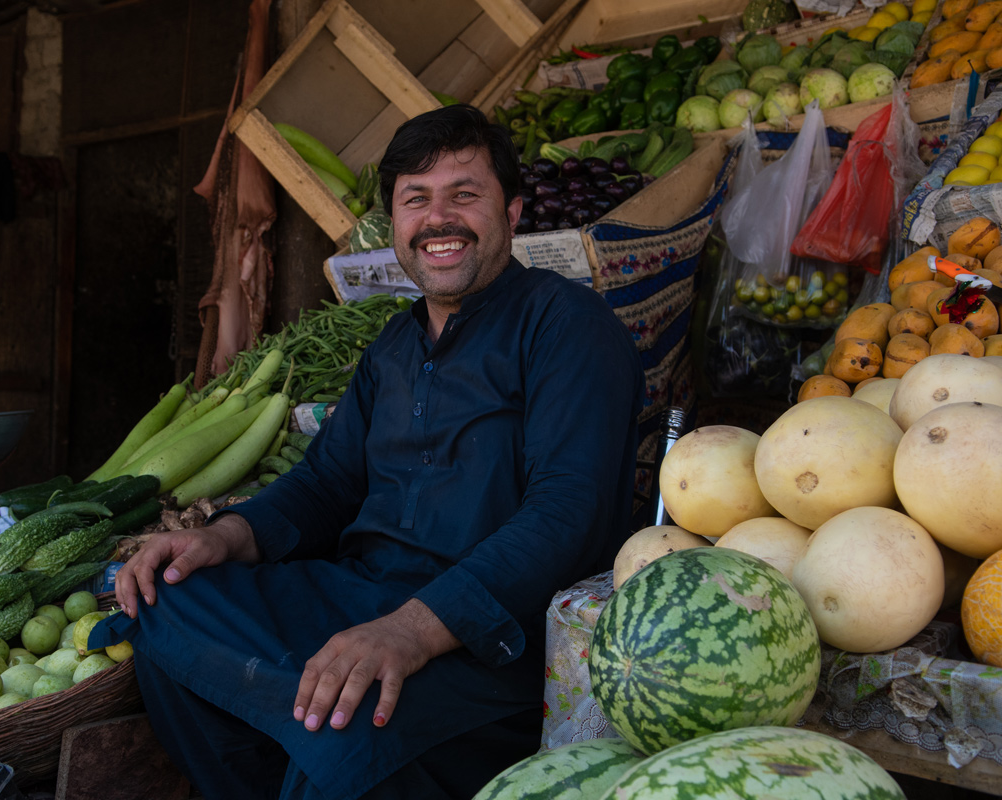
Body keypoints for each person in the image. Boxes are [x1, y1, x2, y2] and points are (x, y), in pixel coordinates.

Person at [89, 104, 645, 800]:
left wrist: (413, 630)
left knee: (347, 731)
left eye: (464, 195)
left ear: (513, 211)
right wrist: (224, 537)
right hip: (362, 597)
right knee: (163, 605)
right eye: (416, 200)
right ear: (396, 228)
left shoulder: (567, 325)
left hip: (491, 638)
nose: (438, 219)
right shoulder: (392, 349)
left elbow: (569, 512)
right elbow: (325, 484)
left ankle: (321, 750)